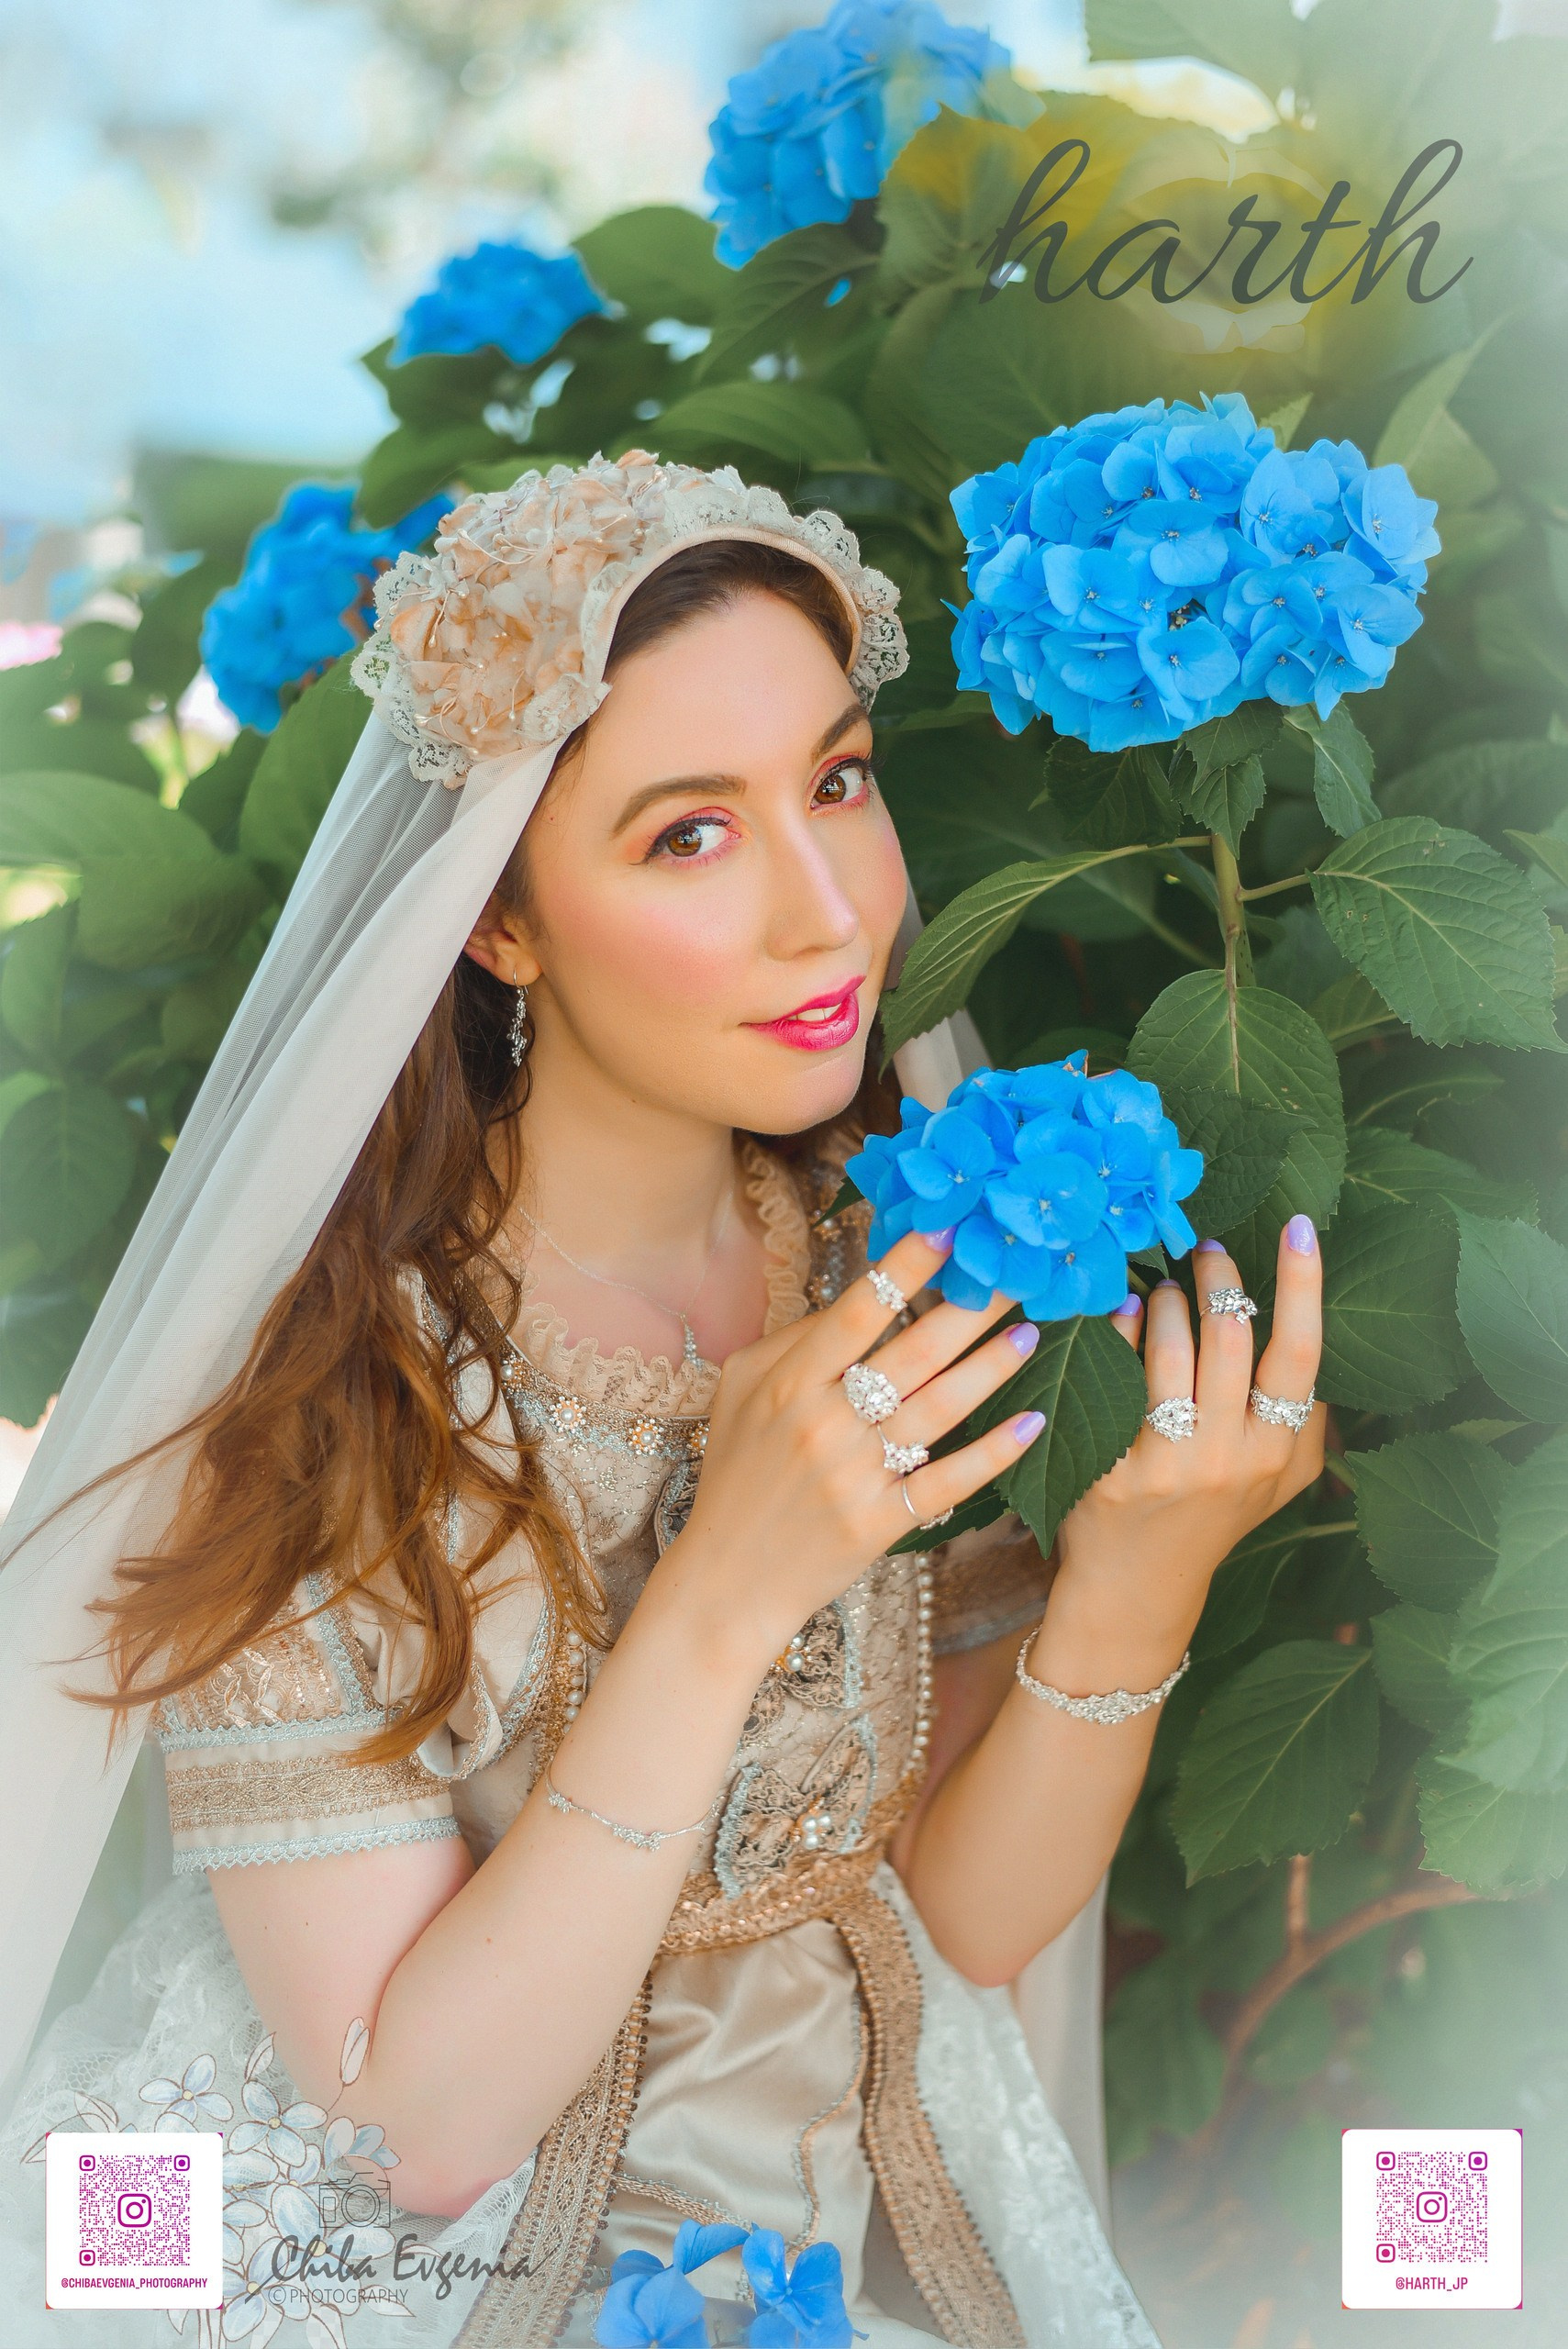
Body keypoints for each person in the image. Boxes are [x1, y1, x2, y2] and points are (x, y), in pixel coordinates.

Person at [0, 454, 1326, 2347]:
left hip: (853, 2227)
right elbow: (414, 2136)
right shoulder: (339, 1405)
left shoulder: (893, 1251)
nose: (832, 912)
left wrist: (1139, 1580)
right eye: (687, 834)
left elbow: (943, 1927)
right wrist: (719, 1590)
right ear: (499, 917)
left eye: (839, 782)